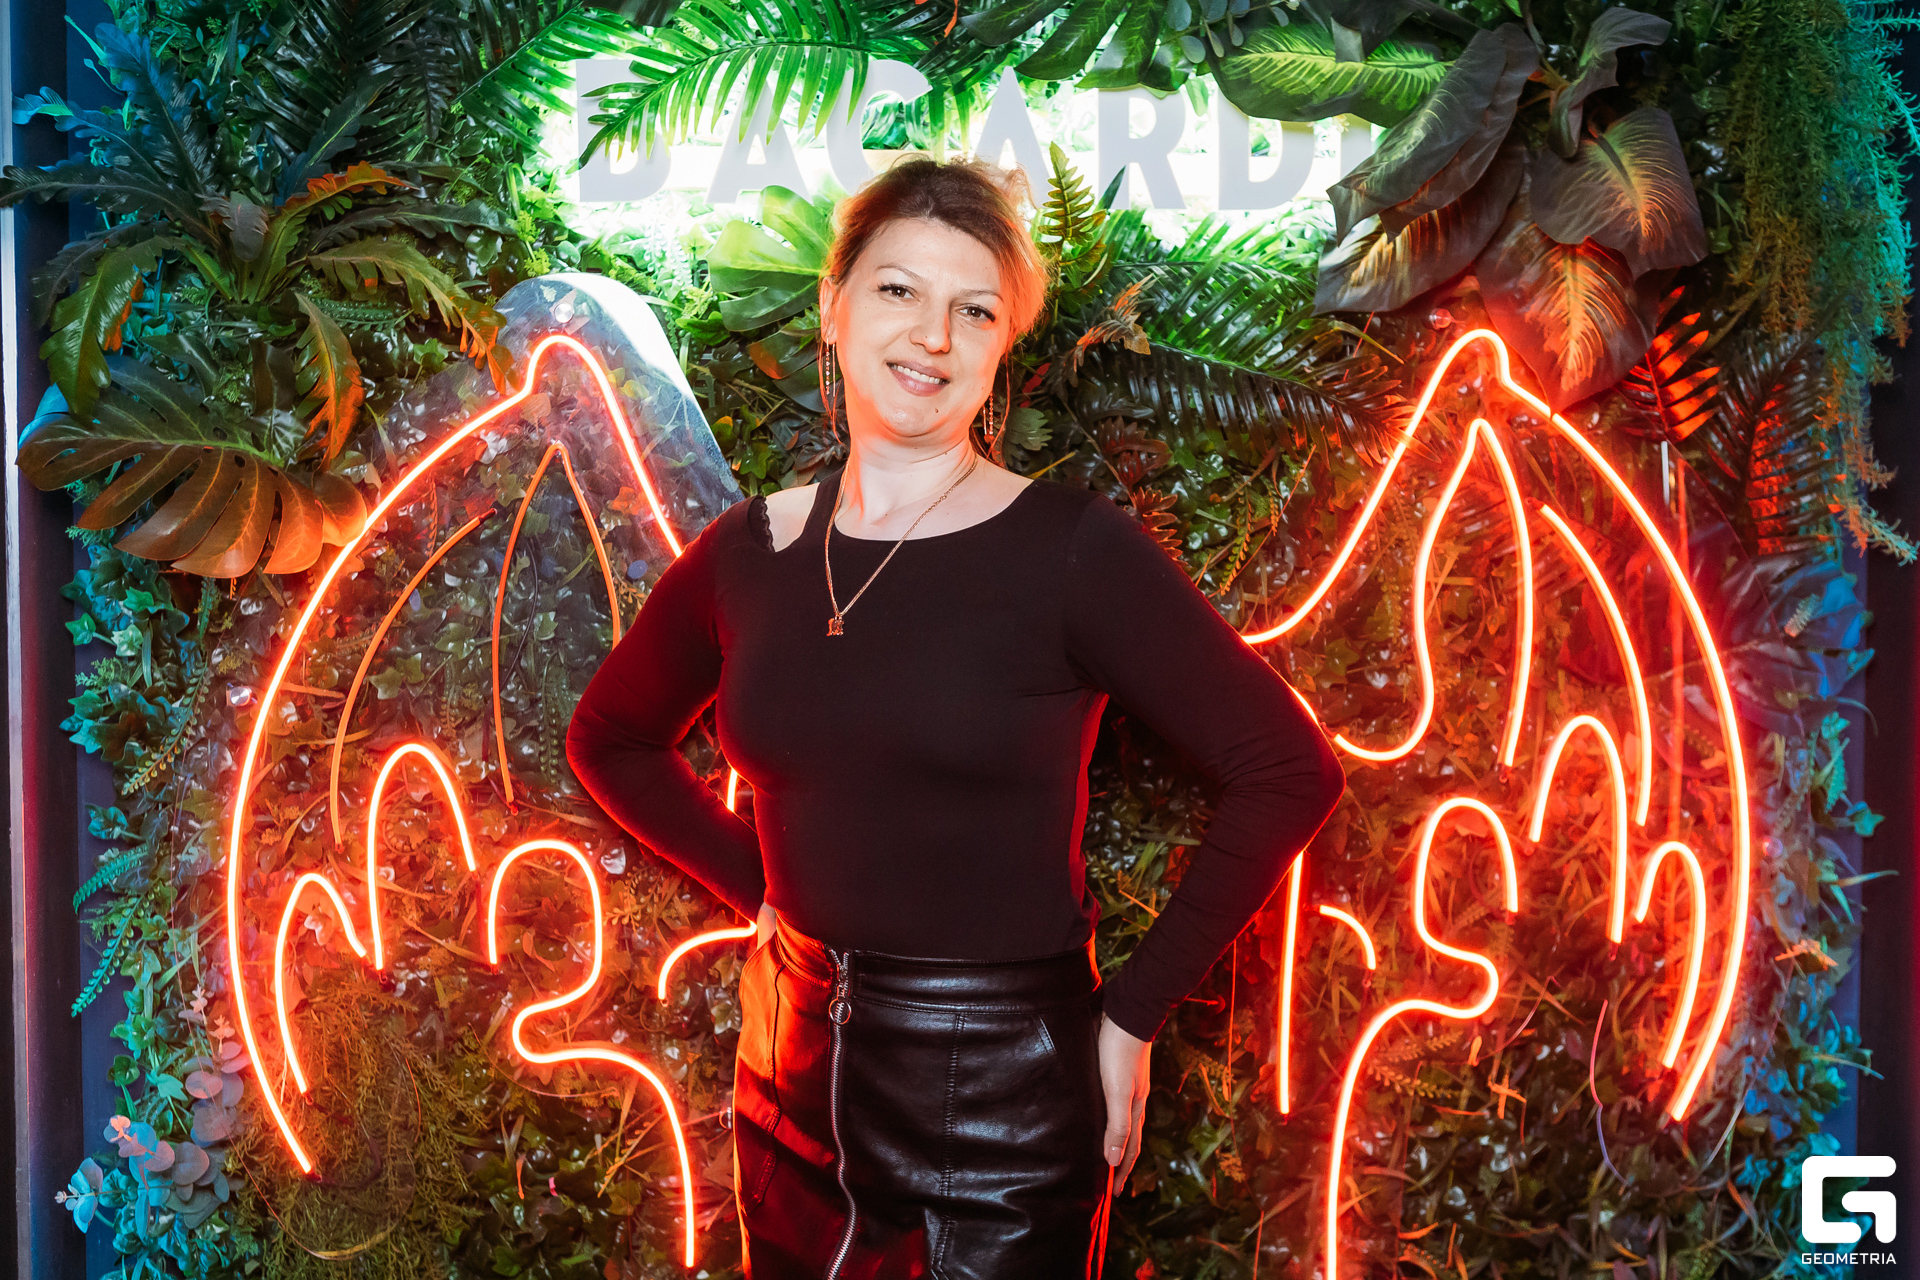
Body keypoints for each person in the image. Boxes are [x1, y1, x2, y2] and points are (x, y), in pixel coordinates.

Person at [566, 154, 1346, 1280]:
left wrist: (1130, 1017)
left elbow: (1287, 769)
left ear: (1000, 348)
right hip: (788, 1070)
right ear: (834, 306)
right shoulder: (752, 550)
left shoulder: (1071, 551)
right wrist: (767, 894)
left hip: (1000, 1102)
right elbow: (610, 738)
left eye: (973, 310)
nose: (932, 335)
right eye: (898, 290)